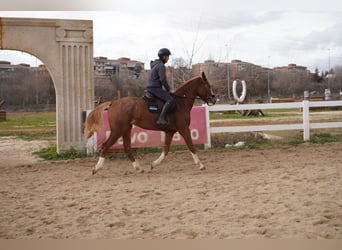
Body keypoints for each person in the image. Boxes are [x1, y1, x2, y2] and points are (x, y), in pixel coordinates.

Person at [146, 48, 176, 126]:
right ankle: (161, 118)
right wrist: (168, 89)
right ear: (164, 57)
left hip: (151, 87)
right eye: (168, 56)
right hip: (155, 88)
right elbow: (163, 79)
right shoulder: (160, 65)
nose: (168, 58)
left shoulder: (155, 64)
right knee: (170, 100)